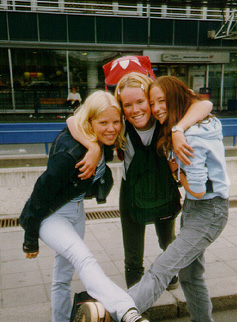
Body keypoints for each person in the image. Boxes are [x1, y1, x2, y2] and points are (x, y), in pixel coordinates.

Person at [19, 90, 150, 322]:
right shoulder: (70, 153)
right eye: (103, 123)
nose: (112, 129)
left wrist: (95, 146)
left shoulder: (97, 140)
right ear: (90, 122)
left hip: (75, 211)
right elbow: (39, 194)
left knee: (62, 276)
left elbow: (73, 120)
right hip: (51, 215)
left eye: (116, 122)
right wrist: (30, 239)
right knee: (84, 258)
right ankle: (126, 312)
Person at [67, 72, 213, 291]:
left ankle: (170, 275)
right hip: (132, 195)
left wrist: (178, 129)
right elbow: (72, 120)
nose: (135, 110)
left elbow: (205, 105)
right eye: (127, 105)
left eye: (140, 102)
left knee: (168, 242)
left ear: (150, 100)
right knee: (133, 255)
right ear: (121, 108)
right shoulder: (121, 126)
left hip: (163, 189)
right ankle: (136, 304)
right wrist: (94, 147)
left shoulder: (165, 119)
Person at [125, 76, 230, 322]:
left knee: (162, 268)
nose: (157, 108)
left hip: (207, 210)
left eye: (163, 101)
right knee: (190, 275)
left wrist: (174, 168)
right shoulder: (190, 124)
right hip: (200, 210)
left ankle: (118, 311)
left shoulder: (190, 136)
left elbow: (195, 190)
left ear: (176, 100)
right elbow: (202, 103)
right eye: (153, 102)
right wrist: (177, 129)